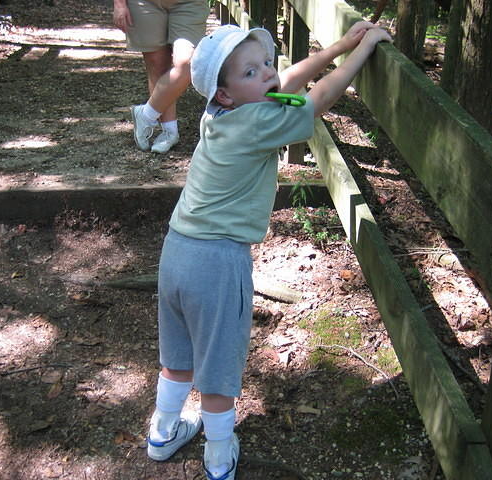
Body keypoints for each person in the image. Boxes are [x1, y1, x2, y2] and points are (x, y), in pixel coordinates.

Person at [146, 22, 392, 480]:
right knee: (218, 364)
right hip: (218, 261)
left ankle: (163, 432)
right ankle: (219, 455)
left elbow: (286, 80)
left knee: (178, 353)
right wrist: (364, 51)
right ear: (225, 92)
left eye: (264, 64)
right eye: (250, 72)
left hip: (176, 250)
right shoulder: (257, 122)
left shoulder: (218, 114)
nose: (266, 75)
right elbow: (319, 99)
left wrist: (342, 43)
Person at [113, 0, 209, 153]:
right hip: (144, 3)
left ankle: (146, 115)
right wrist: (119, 4)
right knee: (157, 65)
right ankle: (169, 132)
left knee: (187, 63)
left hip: (190, 3)